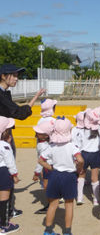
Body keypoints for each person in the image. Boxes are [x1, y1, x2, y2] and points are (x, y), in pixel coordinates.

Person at [0, 64, 45, 218]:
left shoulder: (5, 94)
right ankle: (6, 215)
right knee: (5, 175)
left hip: (6, 136)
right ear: (3, 76)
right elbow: (19, 113)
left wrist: (35, 97)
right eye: (13, 75)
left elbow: (17, 113)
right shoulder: (1, 94)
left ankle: (9, 209)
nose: (16, 78)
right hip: (3, 140)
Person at [39, 117, 84, 235]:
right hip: (69, 176)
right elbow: (80, 159)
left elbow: (41, 160)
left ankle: (48, 231)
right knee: (69, 205)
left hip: (55, 175)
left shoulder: (51, 146)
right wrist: (79, 169)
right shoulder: (72, 146)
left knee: (53, 204)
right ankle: (67, 231)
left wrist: (50, 168)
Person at [77, 108, 100, 206]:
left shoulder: (82, 129)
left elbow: (79, 143)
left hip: (84, 154)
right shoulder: (99, 129)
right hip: (95, 154)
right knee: (94, 177)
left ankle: (79, 197)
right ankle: (96, 199)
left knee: (81, 175)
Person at [0, 117, 20, 234]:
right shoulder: (4, 145)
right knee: (4, 200)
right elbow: (10, 161)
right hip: (3, 172)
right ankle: (5, 225)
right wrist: (15, 175)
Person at [32, 120, 55, 214]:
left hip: (47, 167)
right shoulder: (48, 142)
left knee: (47, 187)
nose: (36, 133)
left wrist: (36, 173)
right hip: (52, 166)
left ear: (46, 135)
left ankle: (51, 205)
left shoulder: (43, 145)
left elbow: (40, 161)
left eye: (38, 132)